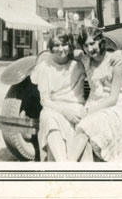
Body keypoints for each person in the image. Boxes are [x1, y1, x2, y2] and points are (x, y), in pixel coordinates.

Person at [69, 26, 122, 162]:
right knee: (79, 128)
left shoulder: (115, 60)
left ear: (101, 42)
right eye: (85, 45)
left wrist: (119, 53)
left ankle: (65, 166)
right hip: (92, 102)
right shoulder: (85, 59)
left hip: (113, 106)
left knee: (86, 126)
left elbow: (113, 98)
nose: (89, 49)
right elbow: (66, 52)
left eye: (92, 43)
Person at [30, 28, 87, 161]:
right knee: (48, 119)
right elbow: (44, 101)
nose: (61, 49)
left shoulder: (78, 64)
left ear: (70, 45)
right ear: (51, 46)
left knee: (85, 121)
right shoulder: (45, 67)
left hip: (76, 106)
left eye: (64, 44)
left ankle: (66, 165)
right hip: (54, 107)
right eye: (56, 45)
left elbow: (101, 56)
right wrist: (64, 111)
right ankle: (63, 166)